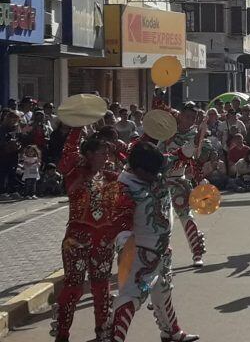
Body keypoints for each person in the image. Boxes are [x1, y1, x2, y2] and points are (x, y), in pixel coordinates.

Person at [110, 141, 199, 342]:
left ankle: (171, 331)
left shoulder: (154, 169)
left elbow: (178, 156)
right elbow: (120, 224)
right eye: (152, 173)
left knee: (163, 290)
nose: (158, 176)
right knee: (131, 298)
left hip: (162, 250)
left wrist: (190, 147)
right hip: (140, 254)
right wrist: (124, 246)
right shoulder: (124, 188)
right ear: (138, 169)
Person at [53, 128, 120, 342]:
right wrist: (76, 128)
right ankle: (62, 335)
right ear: (89, 154)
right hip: (77, 240)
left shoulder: (111, 177)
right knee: (73, 287)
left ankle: (103, 332)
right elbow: (67, 155)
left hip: (103, 241)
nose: (106, 157)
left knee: (102, 287)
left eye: (107, 153)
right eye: (102, 152)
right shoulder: (74, 172)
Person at [156, 104, 211, 267]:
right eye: (187, 116)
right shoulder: (167, 132)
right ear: (180, 116)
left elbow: (196, 159)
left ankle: (197, 253)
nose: (189, 120)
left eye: (193, 118)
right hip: (160, 181)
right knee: (160, 220)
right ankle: (159, 253)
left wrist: (200, 178)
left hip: (179, 181)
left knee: (187, 216)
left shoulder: (195, 135)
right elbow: (158, 154)